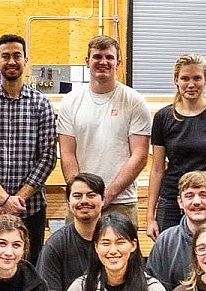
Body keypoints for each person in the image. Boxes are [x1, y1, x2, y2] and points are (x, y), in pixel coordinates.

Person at [0, 33, 57, 263]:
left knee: (28, 267)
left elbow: (47, 156)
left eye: (17, 55)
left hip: (31, 209)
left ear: (25, 60)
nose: (11, 61)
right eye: (5, 56)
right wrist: (4, 199)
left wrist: (17, 199)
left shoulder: (41, 103)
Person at [57, 35, 151, 227]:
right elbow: (67, 154)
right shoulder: (70, 101)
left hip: (121, 203)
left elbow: (140, 155)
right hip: (81, 205)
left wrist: (106, 196)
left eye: (109, 57)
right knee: (75, 256)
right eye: (97, 56)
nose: (103, 62)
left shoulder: (134, 101)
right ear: (87, 61)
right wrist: (82, 195)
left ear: (118, 62)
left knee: (120, 257)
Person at [147, 53, 206, 239]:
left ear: (205, 79)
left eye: (197, 78)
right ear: (176, 80)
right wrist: (150, 216)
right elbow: (157, 169)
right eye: (185, 78)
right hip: (173, 200)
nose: (191, 84)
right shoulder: (163, 117)